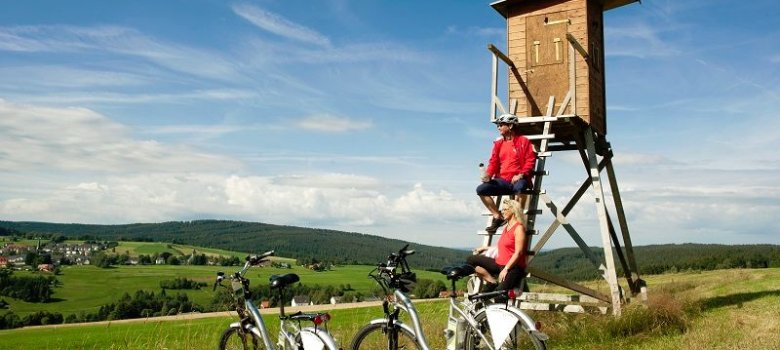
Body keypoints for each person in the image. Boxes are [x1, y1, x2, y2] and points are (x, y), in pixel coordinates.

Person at [476, 113, 536, 232]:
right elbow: (493, 162)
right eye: (498, 125)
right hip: (502, 181)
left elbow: (530, 160)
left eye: (501, 125)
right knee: (481, 189)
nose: (498, 127)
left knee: (521, 186)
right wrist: (488, 175)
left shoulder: (523, 141)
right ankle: (498, 216)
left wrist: (521, 174)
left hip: (518, 179)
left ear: (510, 126)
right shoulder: (498, 144)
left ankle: (517, 219)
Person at [467, 198, 528, 291]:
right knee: (470, 260)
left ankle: (497, 291)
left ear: (513, 210)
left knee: (499, 294)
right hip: (499, 263)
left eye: (505, 209)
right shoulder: (507, 227)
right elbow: (503, 246)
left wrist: (506, 269)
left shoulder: (519, 228)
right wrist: (485, 248)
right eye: (502, 210)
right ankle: (491, 281)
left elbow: (518, 253)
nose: (502, 212)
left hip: (513, 268)